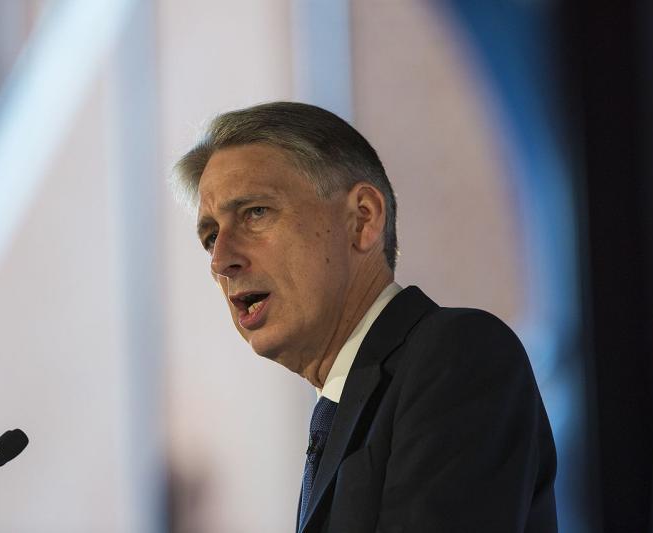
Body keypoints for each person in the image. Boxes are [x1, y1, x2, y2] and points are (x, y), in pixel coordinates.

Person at [171, 101, 557, 532]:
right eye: (210, 237)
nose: (221, 260)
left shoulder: (460, 354)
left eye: (255, 213)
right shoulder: (338, 411)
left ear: (362, 219)